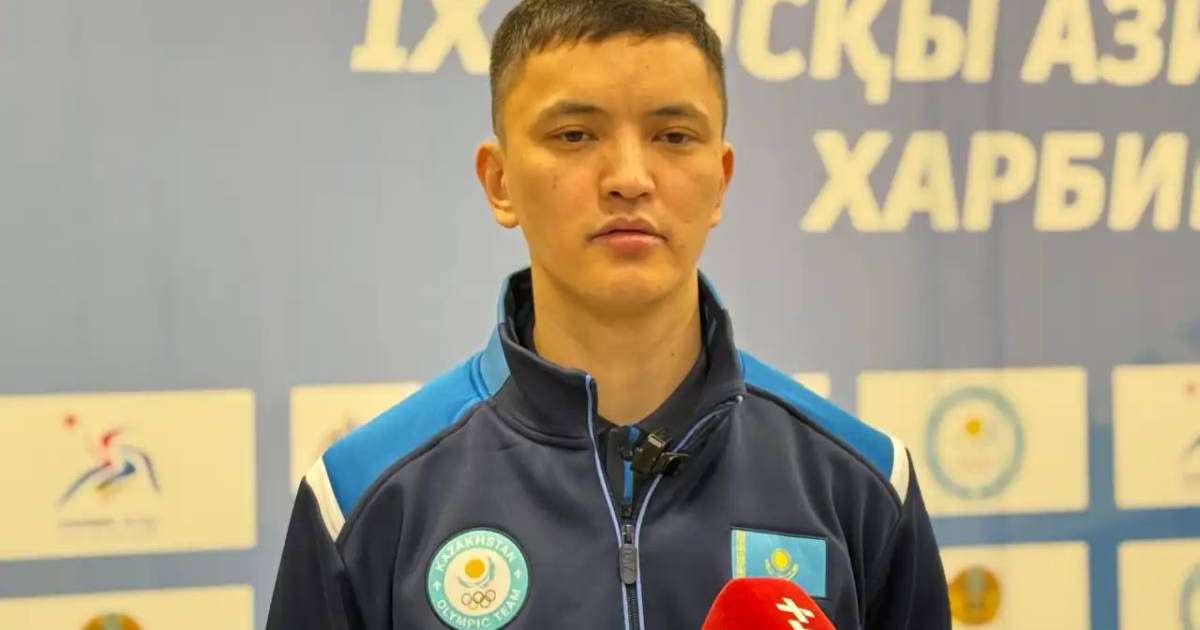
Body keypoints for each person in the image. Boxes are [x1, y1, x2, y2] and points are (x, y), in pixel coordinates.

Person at [266, 1, 950, 628]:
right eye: (574, 134)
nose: (629, 176)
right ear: (499, 182)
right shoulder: (362, 495)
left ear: (721, 178)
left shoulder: (861, 482)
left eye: (674, 136)